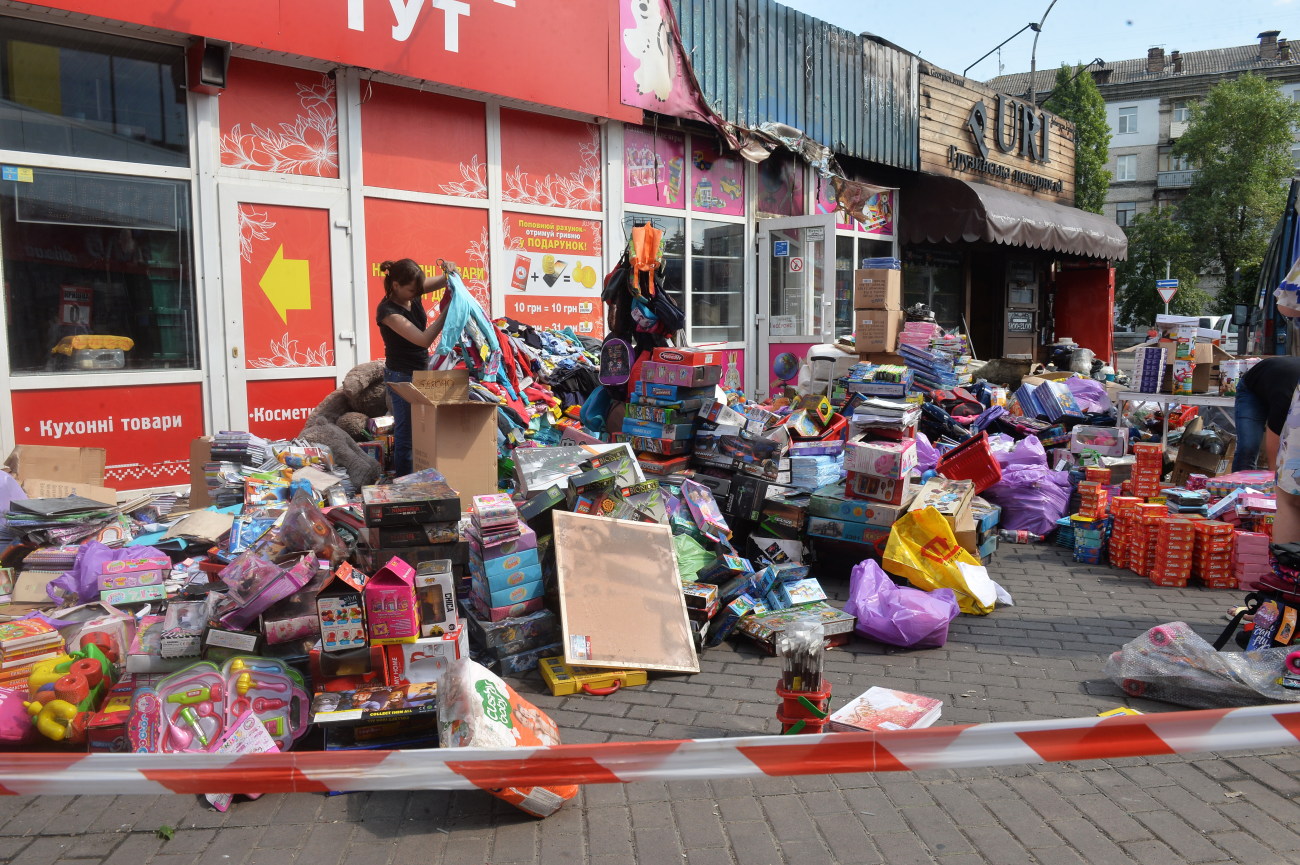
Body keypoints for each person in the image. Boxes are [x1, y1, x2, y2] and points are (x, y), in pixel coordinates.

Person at [376, 258, 456, 477]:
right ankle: (404, 485)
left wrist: (450, 271)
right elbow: (422, 340)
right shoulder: (388, 312)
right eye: (412, 290)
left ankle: (422, 478)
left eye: (418, 289)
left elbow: (443, 280)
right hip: (401, 377)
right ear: (395, 286)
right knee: (407, 436)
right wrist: (446, 314)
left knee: (426, 431)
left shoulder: (413, 290)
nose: (416, 293)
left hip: (422, 373)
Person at [1232, 356, 1300, 471]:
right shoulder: (1287, 397)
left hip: (1277, 379)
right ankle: (1241, 487)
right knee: (1249, 447)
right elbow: (1274, 441)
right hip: (1253, 391)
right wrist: (1274, 479)